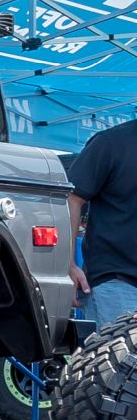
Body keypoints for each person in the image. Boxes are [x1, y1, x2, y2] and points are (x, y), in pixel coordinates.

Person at [68, 117, 137, 330]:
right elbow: (70, 198)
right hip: (117, 281)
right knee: (122, 362)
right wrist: (68, 265)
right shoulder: (112, 142)